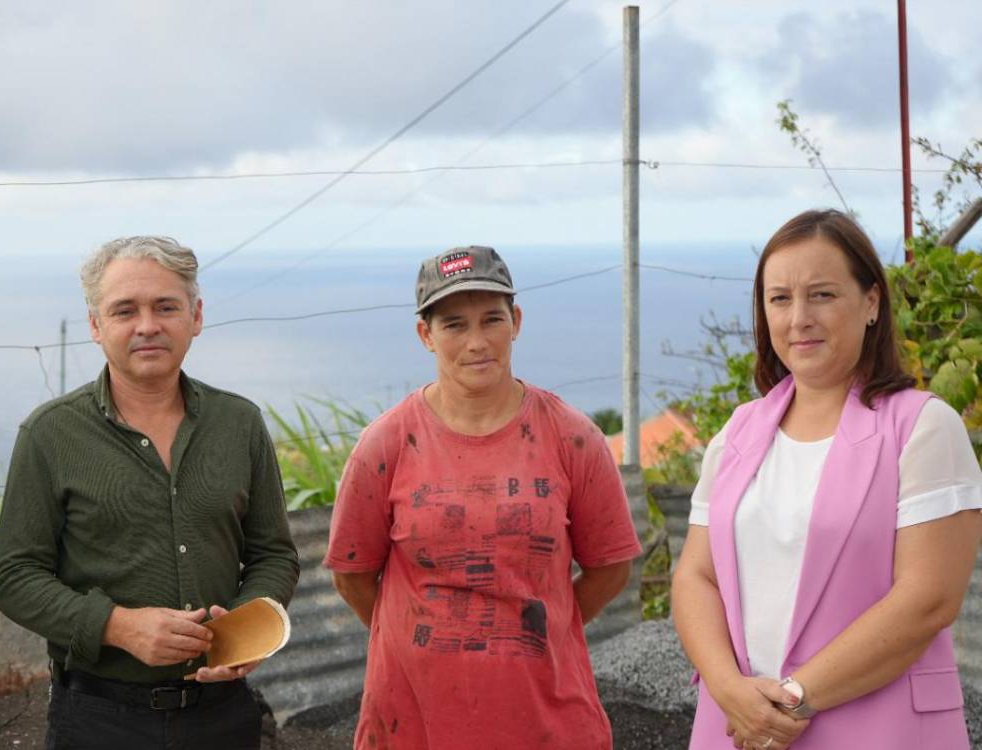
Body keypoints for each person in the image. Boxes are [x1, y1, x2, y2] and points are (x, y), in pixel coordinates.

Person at [672, 209, 982, 750]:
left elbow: (928, 599)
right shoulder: (737, 433)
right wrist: (729, 690)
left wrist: (790, 700)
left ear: (871, 302)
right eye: (780, 299)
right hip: (738, 729)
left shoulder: (923, 427)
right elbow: (695, 578)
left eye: (822, 295)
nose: (799, 319)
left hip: (883, 732)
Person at [325, 245, 642, 750]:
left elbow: (610, 569)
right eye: (454, 325)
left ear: (516, 322)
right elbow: (352, 577)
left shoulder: (573, 437)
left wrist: (538, 633)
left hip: (547, 721)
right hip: (413, 723)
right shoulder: (385, 445)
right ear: (426, 335)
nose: (476, 342)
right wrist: (416, 644)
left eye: (491, 319)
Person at [0, 236, 299, 750]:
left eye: (165, 307)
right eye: (124, 310)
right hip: (98, 720)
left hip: (223, 714)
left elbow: (273, 554)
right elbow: (14, 577)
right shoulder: (50, 434)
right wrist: (117, 627)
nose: (147, 325)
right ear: (96, 325)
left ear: (196, 316)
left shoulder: (239, 423)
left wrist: (247, 630)